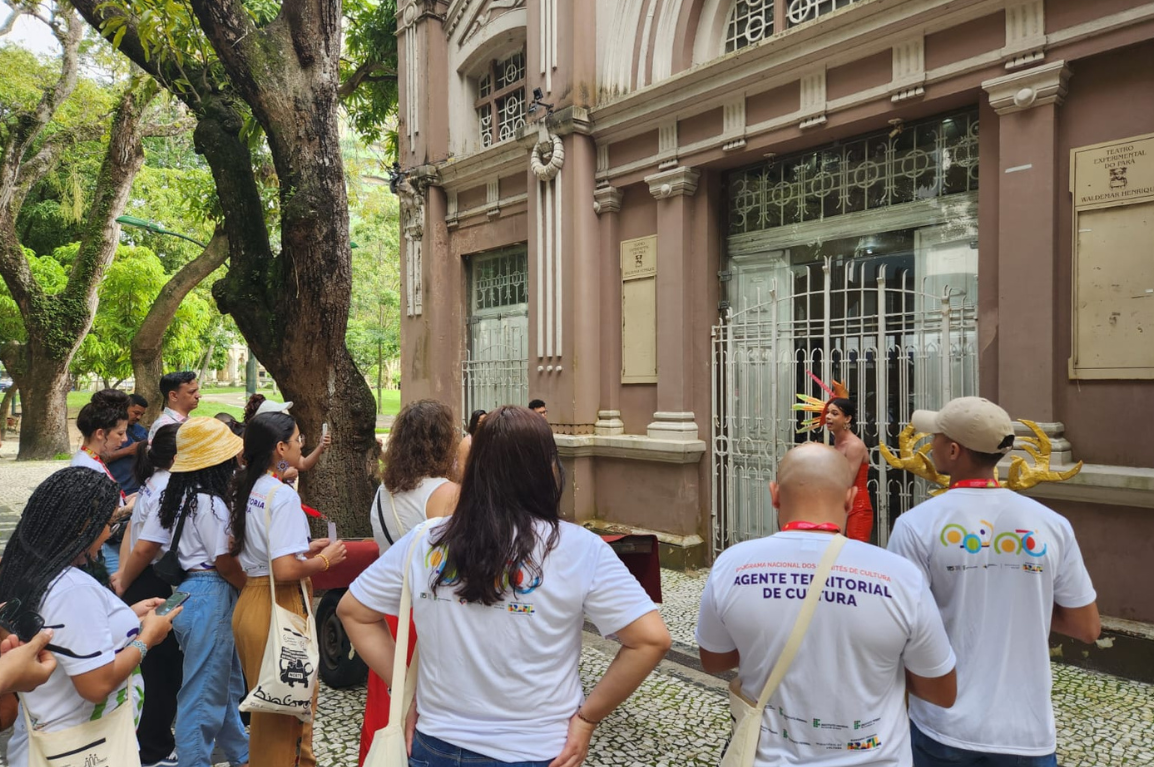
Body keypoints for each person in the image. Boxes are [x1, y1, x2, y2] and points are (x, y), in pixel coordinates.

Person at [339, 405, 672, 767]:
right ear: (548, 469)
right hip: (537, 749)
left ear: (475, 468)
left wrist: (406, 689)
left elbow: (353, 610)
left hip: (437, 746)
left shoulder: (427, 541)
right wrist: (588, 718)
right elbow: (651, 639)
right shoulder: (579, 548)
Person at [696, 443, 956, 766]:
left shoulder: (732, 565)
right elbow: (942, 692)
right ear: (850, 500)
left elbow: (713, 659)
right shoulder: (900, 576)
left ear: (774, 494)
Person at [888, 397, 1100, 767]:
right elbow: (1087, 628)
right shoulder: (1052, 524)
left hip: (942, 726)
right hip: (1027, 734)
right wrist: (1024, 598)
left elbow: (898, 627)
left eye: (936, 437)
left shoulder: (916, 525)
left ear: (953, 450)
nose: (931, 443)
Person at [0, 468, 179, 767]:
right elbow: (96, 685)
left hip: (44, 740)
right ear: (83, 525)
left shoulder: (28, 571)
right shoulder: (73, 589)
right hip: (83, 749)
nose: (109, 533)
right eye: (107, 523)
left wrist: (128, 619)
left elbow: (63, 633)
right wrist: (148, 637)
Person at [228, 411, 348, 767]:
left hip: (251, 601)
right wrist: (325, 560)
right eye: (297, 440)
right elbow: (284, 570)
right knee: (286, 715)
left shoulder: (249, 486)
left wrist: (303, 551)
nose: (302, 445)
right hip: (278, 605)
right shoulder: (281, 495)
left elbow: (262, 551)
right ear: (280, 448)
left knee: (270, 712)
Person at [357, 399, 461, 763]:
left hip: (388, 616)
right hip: (428, 615)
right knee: (423, 712)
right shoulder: (446, 494)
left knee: (388, 704)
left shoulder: (383, 492)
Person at [156, 417, 250, 767]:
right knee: (202, 696)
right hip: (212, 593)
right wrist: (253, 590)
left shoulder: (183, 497)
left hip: (191, 592)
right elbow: (224, 562)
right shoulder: (210, 503)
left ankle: (242, 755)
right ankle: (193, 760)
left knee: (222, 686)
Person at [112, 423, 184, 767]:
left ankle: (149, 742)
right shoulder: (169, 485)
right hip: (151, 581)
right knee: (160, 669)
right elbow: (146, 546)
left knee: (155, 668)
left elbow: (131, 534)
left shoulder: (153, 482)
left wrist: (123, 576)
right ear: (177, 455)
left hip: (140, 578)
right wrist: (124, 580)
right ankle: (154, 748)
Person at [74, 392, 134, 574]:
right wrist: (129, 508)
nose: (124, 440)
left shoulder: (94, 460)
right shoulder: (85, 467)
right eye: (120, 433)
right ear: (100, 433)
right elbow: (90, 518)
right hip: (102, 548)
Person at [242, 395, 330, 480]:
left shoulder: (284, 445)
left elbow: (303, 464)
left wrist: (320, 447)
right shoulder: (251, 449)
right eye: (278, 415)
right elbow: (252, 475)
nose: (282, 417)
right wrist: (281, 475)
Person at [825, 397, 874, 543]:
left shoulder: (854, 446)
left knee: (855, 554)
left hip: (857, 508)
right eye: (828, 412)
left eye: (834, 413)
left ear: (847, 419)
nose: (828, 416)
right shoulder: (837, 442)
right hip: (840, 505)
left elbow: (847, 480)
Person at [107, 394, 149, 493]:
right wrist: (127, 451)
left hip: (138, 489)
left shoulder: (141, 430)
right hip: (115, 488)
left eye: (142, 415)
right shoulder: (108, 430)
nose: (139, 417)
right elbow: (99, 457)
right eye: (136, 413)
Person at [148, 371, 201, 442]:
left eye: (197, 391)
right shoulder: (164, 426)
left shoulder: (188, 420)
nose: (198, 396)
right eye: (191, 392)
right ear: (173, 396)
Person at [455, 409, 486, 478]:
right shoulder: (467, 441)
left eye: (485, 422)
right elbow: (461, 465)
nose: (483, 425)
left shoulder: (488, 440)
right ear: (474, 424)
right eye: (480, 423)